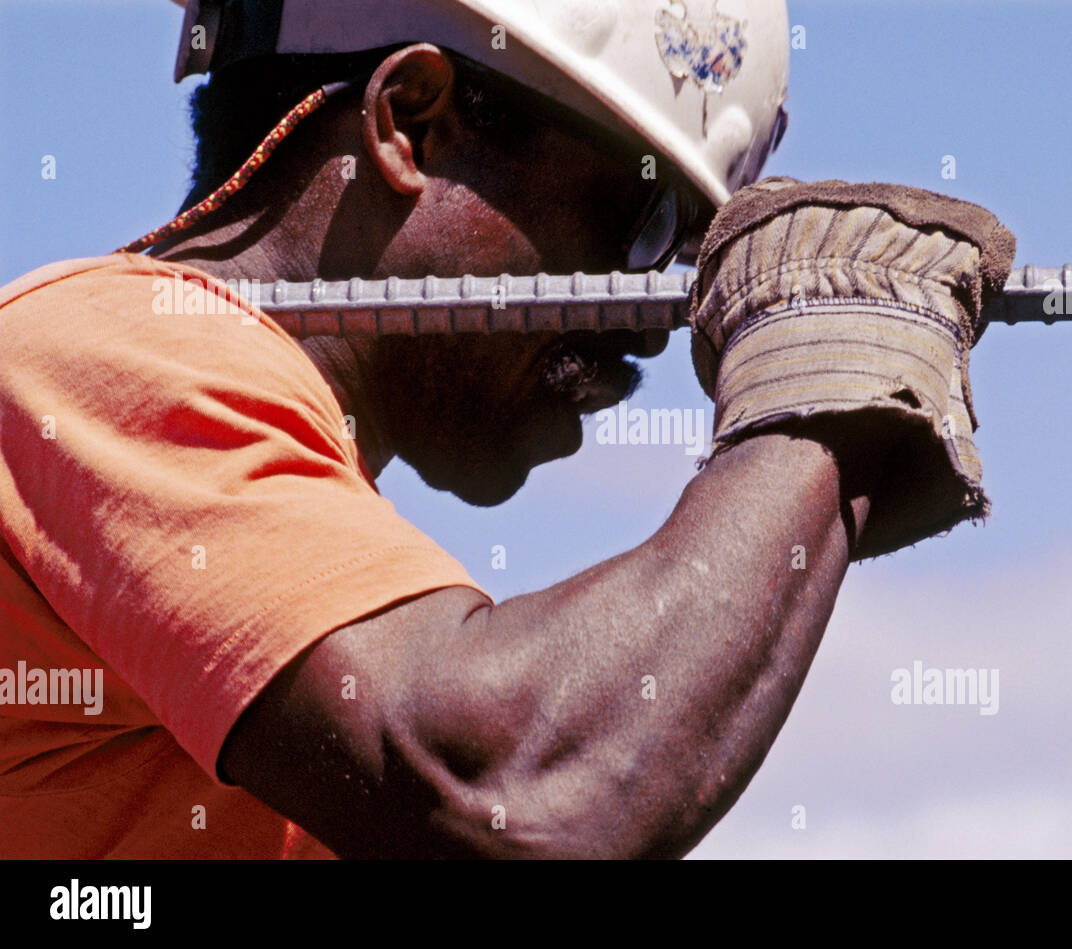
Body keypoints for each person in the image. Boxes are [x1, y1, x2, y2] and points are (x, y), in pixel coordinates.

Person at [0, 0, 1012, 858]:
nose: (640, 325)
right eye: (640, 228)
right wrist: (823, 407)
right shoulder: (97, 353)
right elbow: (517, 787)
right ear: (410, 120)